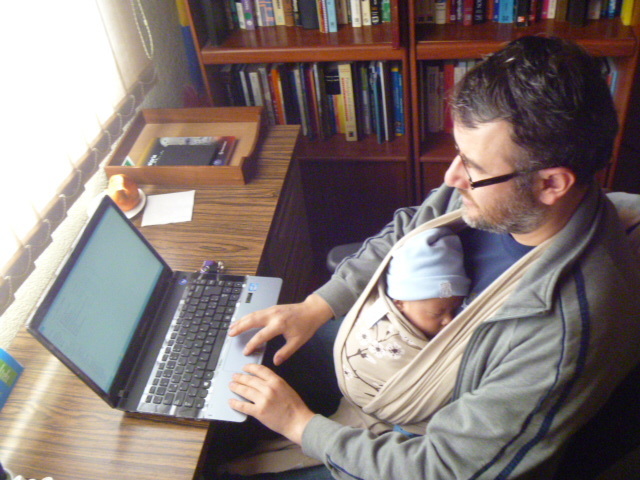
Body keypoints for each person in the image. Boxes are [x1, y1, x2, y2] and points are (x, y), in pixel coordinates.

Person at [224, 35, 640, 479]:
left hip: (415, 443)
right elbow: (409, 231)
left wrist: (300, 426)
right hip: (384, 360)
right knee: (232, 371)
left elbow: (446, 467)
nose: (451, 176)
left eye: (473, 167)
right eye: (460, 154)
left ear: (551, 184)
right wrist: (316, 306)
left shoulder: (563, 331)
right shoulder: (497, 195)